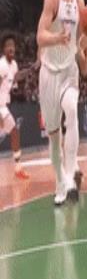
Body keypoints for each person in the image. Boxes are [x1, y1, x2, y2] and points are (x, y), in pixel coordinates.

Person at [36, 0, 87, 206]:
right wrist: (57, 38)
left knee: (72, 110)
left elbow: (84, 65)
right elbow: (40, 36)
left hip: (69, 70)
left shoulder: (79, 1)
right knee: (53, 137)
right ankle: (60, 182)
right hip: (49, 73)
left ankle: (71, 176)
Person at [0, 33, 33, 180]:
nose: (11, 48)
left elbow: (16, 77)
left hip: (3, 106)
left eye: (12, 45)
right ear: (3, 49)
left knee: (14, 132)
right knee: (13, 131)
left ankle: (18, 167)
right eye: (8, 46)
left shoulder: (13, 65)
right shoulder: (1, 65)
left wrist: (30, 69)